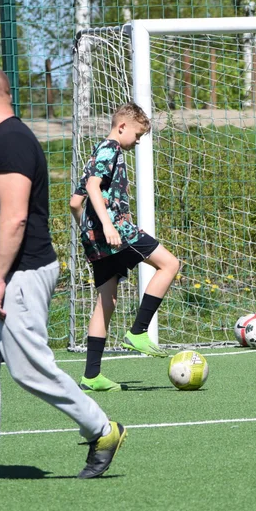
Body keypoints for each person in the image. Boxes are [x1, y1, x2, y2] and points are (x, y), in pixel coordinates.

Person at [0, 67, 125, 486]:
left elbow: (13, 219)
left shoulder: (12, 141)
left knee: (29, 369)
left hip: (17, 275)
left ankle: (103, 431)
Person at [69, 102, 180, 392]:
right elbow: (93, 187)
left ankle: (92, 376)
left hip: (93, 238)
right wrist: (107, 226)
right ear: (122, 127)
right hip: (115, 231)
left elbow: (74, 202)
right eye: (138, 134)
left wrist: (90, 230)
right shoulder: (110, 149)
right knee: (169, 264)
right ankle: (138, 332)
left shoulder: (96, 152)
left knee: (107, 301)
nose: (139, 141)